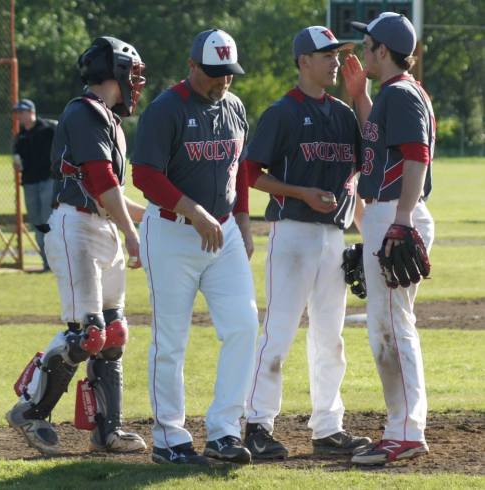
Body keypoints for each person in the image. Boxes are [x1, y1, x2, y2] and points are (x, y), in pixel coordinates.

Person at [6, 36, 148, 455]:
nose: (136, 83)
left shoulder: (110, 120)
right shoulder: (83, 111)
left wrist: (166, 215)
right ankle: (31, 411)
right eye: (132, 73)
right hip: (77, 227)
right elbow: (102, 182)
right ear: (115, 70)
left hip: (101, 226)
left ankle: (108, 430)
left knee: (114, 334)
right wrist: (133, 232)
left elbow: (115, 195)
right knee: (87, 335)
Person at [241, 26, 372, 460]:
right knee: (277, 332)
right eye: (327, 56)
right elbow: (250, 174)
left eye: (337, 55)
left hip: (333, 236)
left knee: (331, 337)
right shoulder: (281, 112)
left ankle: (328, 427)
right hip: (292, 232)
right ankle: (257, 425)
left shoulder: (342, 113)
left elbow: (364, 165)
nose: (336, 62)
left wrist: (359, 96)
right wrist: (300, 192)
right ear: (303, 62)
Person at [132, 28, 258, 465]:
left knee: (243, 326)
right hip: (171, 232)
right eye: (213, 73)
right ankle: (169, 437)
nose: (222, 81)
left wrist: (242, 218)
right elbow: (145, 176)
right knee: (171, 340)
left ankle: (224, 431)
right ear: (191, 66)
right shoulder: (166, 108)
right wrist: (195, 211)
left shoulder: (235, 106)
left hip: (224, 232)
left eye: (228, 73)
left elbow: (238, 167)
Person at [340, 13, 436, 465]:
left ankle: (408, 430)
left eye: (369, 44)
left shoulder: (399, 95)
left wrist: (400, 221)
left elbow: (416, 157)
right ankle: (399, 424)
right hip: (388, 212)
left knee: (395, 328)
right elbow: (380, 146)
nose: (364, 51)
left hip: (398, 211)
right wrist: (360, 97)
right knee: (386, 327)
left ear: (383, 51)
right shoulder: (391, 95)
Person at [12, 99, 56, 271]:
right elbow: (17, 160)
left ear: (31, 111)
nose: (19, 116)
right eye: (17, 113)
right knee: (37, 223)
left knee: (47, 221)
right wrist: (16, 164)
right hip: (29, 184)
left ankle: (55, 262)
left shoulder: (48, 128)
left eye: (21, 112)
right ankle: (46, 263)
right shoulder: (20, 136)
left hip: (48, 181)